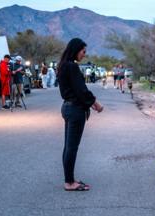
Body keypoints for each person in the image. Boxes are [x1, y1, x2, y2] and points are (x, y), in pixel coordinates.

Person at [58, 38, 103, 191]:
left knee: (68, 147)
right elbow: (81, 90)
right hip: (75, 110)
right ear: (76, 50)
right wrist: (95, 103)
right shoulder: (72, 67)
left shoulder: (63, 65)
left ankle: (69, 179)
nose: (84, 55)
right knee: (72, 147)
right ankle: (69, 183)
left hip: (67, 107)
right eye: (83, 51)